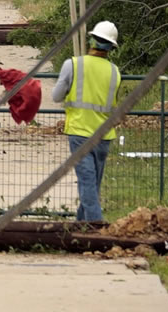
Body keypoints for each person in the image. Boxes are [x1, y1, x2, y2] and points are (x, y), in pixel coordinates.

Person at [52, 20, 121, 222]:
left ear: (91, 40)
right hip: (104, 136)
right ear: (111, 47)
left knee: (87, 184)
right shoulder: (115, 72)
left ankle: (96, 227)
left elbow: (56, 96)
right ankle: (81, 226)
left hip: (79, 132)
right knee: (92, 185)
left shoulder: (72, 64)